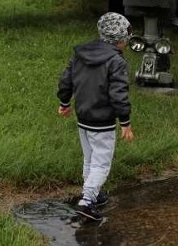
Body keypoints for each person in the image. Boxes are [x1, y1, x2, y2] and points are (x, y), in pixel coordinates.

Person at [57, 12, 135, 222]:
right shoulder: (116, 61)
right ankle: (87, 202)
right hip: (102, 121)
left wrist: (64, 103)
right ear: (121, 40)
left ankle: (92, 192)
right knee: (101, 163)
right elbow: (118, 94)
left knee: (90, 158)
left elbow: (66, 79)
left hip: (83, 117)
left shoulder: (80, 54)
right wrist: (125, 122)